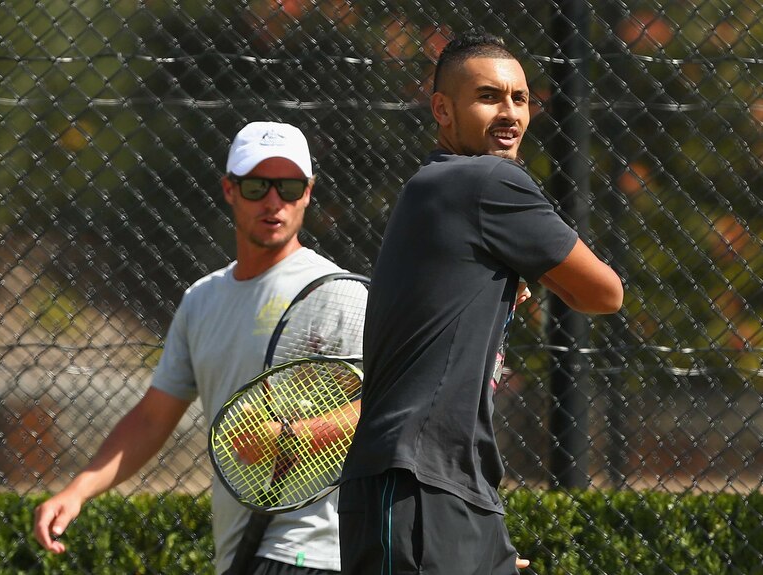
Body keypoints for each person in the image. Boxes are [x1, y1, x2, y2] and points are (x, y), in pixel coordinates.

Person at [337, 30, 624, 575]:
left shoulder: (436, 185)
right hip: (418, 488)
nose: (510, 113)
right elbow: (605, 292)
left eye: (520, 98)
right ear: (442, 109)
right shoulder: (487, 180)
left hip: (453, 490)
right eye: (489, 96)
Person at [34, 121, 354, 575]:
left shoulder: (336, 292)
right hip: (238, 551)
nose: (273, 200)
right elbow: (151, 418)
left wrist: (290, 438)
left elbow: (388, 405)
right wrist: (77, 490)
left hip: (314, 551)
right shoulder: (202, 299)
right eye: (257, 185)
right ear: (229, 189)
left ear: (307, 191)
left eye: (288, 186)